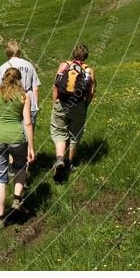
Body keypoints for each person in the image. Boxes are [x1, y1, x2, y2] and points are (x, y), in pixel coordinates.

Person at [0, 68, 36, 224]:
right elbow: (27, 122)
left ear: (3, 78)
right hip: (17, 138)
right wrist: (31, 147)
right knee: (20, 167)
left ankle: (0, 218)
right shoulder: (23, 96)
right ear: (20, 80)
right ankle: (16, 199)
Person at [50, 44, 96, 180]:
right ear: (86, 56)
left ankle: (59, 159)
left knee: (59, 131)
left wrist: (55, 102)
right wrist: (85, 104)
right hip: (78, 105)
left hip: (62, 102)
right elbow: (91, 91)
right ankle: (69, 163)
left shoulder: (64, 65)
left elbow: (55, 86)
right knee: (75, 133)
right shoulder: (88, 70)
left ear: (73, 54)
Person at [0, 40, 41, 127]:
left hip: (11, 101)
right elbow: (36, 89)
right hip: (28, 99)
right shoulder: (29, 65)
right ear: (19, 51)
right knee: (28, 130)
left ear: (7, 52)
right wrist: (35, 105)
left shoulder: (3, 67)